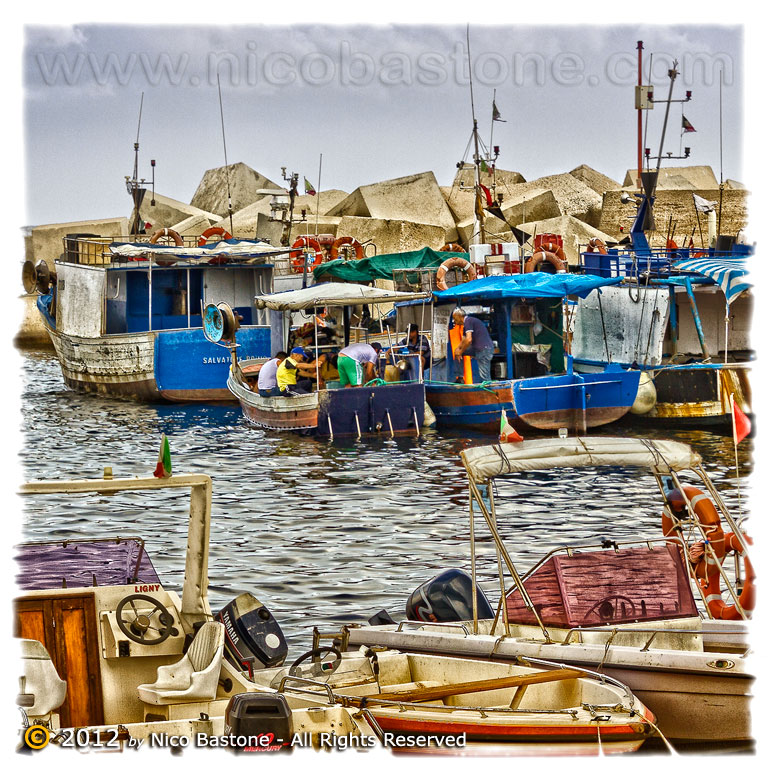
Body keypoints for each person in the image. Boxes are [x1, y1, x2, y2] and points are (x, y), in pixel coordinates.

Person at [452, 309, 494, 382]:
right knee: (456, 353)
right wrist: (458, 349)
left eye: (454, 318)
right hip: (477, 348)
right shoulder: (466, 324)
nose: (454, 321)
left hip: (484, 349)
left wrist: (461, 351)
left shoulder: (468, 321)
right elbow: (464, 340)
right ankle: (460, 377)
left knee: (484, 376)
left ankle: (489, 390)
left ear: (459, 316)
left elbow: (468, 340)